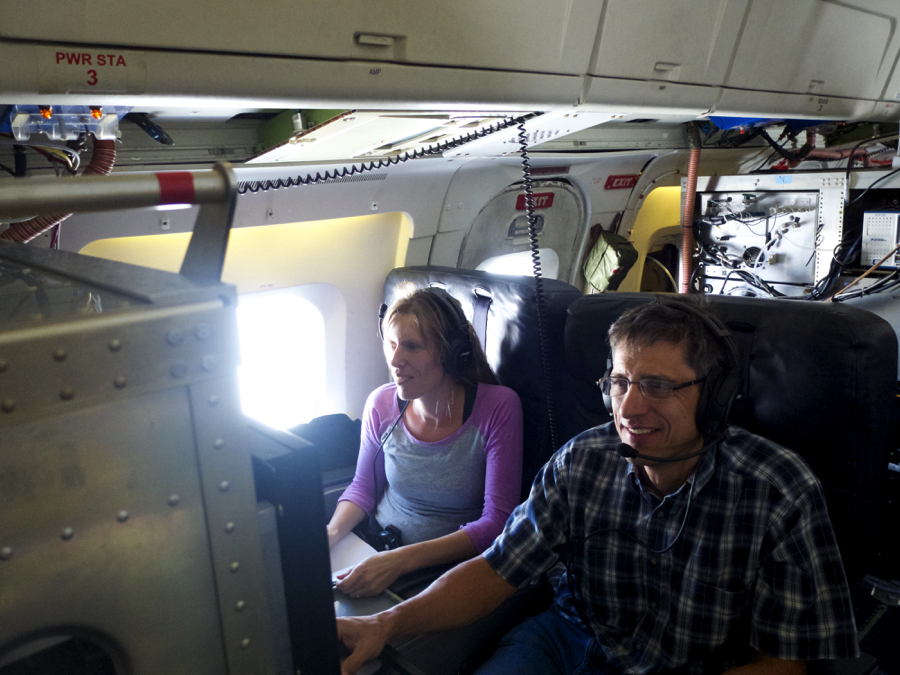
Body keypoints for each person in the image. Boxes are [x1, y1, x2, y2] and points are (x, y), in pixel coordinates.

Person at [336, 296, 859, 675]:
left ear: (714, 396)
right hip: (564, 640)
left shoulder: (778, 490)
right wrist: (387, 624)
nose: (629, 408)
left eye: (657, 385)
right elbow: (496, 571)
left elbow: (786, 661)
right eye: (620, 383)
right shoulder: (581, 461)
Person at [327, 286, 523, 598]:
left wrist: (399, 562)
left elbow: (497, 522)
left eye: (412, 347)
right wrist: (332, 534)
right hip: (373, 548)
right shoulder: (381, 403)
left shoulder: (498, 407)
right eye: (391, 344)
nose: (395, 360)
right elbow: (364, 487)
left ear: (452, 354)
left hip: (441, 572)